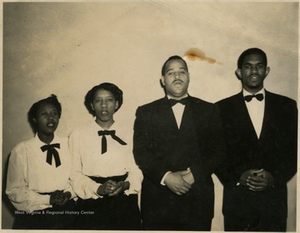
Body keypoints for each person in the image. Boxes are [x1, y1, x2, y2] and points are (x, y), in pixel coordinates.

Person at [133, 55, 226, 230]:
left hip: (197, 202)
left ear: (188, 76)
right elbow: (141, 152)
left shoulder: (209, 110)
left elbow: (218, 151)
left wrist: (193, 175)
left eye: (181, 72)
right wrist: (166, 177)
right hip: (157, 204)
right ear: (162, 80)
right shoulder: (146, 112)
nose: (177, 76)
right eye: (171, 73)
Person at [216, 48, 297, 231]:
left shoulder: (287, 107)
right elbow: (217, 154)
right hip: (237, 204)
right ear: (239, 72)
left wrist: (274, 178)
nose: (254, 71)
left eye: (259, 66)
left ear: (266, 71)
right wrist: (237, 177)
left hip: (274, 203)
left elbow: (294, 153)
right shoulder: (221, 109)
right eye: (248, 66)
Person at [69, 82, 143, 230]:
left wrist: (125, 185)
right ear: (91, 105)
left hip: (124, 201)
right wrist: (98, 188)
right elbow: (74, 173)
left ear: (116, 104)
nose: (104, 105)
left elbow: (137, 170)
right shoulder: (78, 134)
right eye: (98, 100)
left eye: (109, 100)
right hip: (91, 201)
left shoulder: (130, 134)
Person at [6, 94, 77, 229]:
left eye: (54, 113)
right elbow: (14, 191)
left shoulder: (70, 144)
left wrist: (69, 193)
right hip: (35, 215)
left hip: (67, 211)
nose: (50, 117)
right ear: (34, 119)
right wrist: (47, 199)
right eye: (44, 114)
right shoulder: (21, 150)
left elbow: (77, 178)